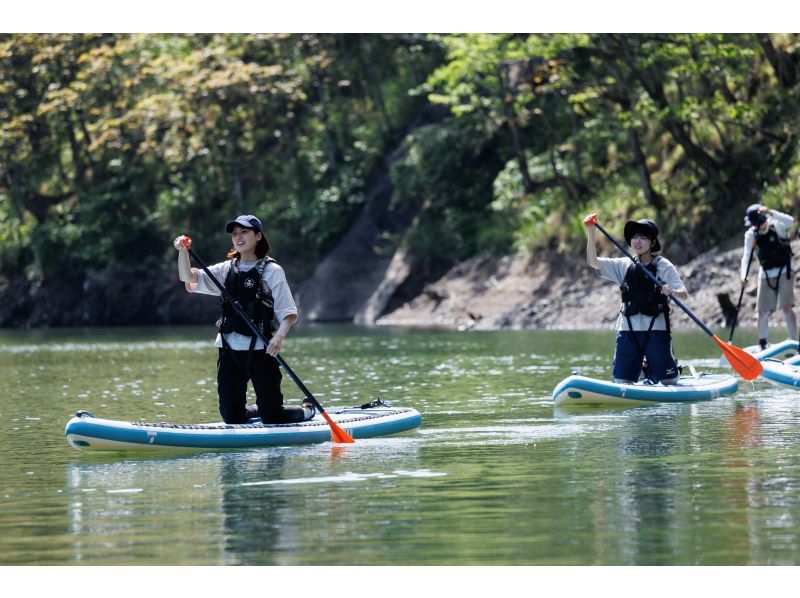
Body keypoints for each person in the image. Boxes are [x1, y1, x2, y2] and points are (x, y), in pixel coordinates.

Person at [172, 214, 314, 425]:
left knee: (272, 417)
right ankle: (258, 409)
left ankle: (306, 411)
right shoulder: (225, 269)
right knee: (232, 417)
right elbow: (188, 277)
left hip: (262, 350)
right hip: (229, 350)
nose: (238, 237)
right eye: (235, 234)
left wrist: (279, 338)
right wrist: (183, 252)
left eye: (244, 232)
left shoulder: (272, 271)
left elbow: (289, 312)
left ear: (258, 236)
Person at [583, 213, 688, 385]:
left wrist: (672, 291)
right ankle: (640, 373)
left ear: (652, 242)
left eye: (643, 238)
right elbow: (593, 262)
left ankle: (668, 370)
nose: (637, 241)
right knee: (621, 380)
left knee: (668, 381)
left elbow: (683, 293)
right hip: (627, 331)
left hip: (657, 330)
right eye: (634, 237)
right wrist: (591, 232)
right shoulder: (623, 265)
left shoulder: (663, 265)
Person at [741, 204, 797, 349]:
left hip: (786, 270)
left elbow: (791, 221)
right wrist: (743, 276)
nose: (754, 227)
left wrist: (772, 211)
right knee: (762, 311)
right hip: (766, 273)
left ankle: (795, 343)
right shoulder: (751, 235)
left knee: (786, 307)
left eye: (755, 224)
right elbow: (746, 255)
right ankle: (763, 344)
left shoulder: (777, 224)